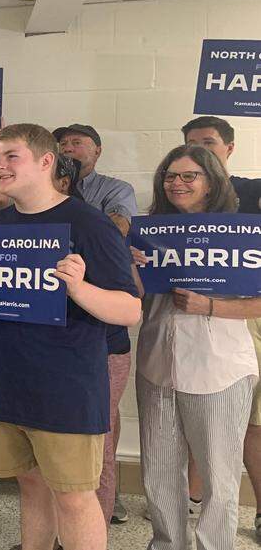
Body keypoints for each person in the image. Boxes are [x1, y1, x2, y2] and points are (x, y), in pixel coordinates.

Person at [0, 123, 141, 550]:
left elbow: (130, 308)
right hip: (6, 384)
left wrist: (80, 288)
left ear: (46, 161)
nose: (0, 166)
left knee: (74, 498)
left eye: (12, 156)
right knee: (31, 490)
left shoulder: (88, 224)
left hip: (64, 390)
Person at [131, 144, 260, 550]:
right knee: (159, 471)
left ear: (211, 182)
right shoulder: (150, 232)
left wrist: (211, 305)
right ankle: (166, 544)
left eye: (189, 176)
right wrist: (132, 265)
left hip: (219, 368)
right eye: (170, 176)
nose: (177, 183)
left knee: (218, 475)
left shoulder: (241, 233)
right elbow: (135, 299)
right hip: (157, 364)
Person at [52, 123, 138, 527]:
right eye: (62, 144)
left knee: (97, 439)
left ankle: (97, 523)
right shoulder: (28, 216)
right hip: (56, 342)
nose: (70, 148)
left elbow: (119, 228)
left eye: (77, 144)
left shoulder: (101, 214)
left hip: (103, 342)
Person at [182, 115, 261, 534]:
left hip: (244, 323)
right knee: (199, 416)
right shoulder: (171, 205)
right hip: (194, 328)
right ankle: (193, 500)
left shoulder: (253, 193)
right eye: (192, 143)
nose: (200, 150)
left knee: (247, 426)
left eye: (209, 143)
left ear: (229, 148)